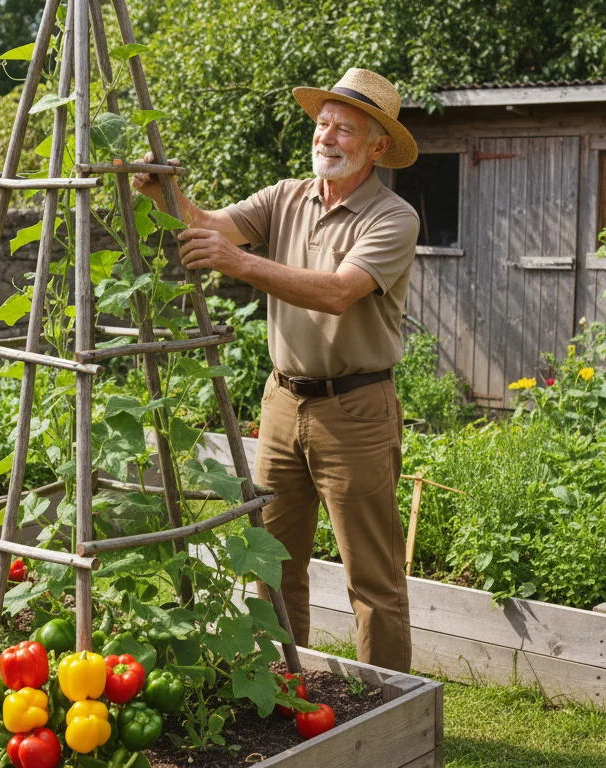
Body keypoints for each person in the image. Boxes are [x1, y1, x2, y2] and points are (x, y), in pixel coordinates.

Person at [132, 68, 419, 672]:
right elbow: (211, 225)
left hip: (357, 411)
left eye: (345, 129)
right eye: (323, 124)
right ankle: (279, 689)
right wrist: (164, 194)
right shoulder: (287, 195)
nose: (328, 137)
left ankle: (391, 712)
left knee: (373, 579)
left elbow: (340, 292)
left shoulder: (393, 218)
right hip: (283, 404)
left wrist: (239, 264)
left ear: (378, 147)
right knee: (272, 560)